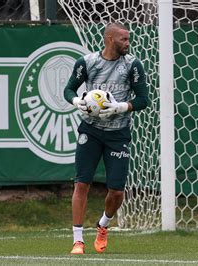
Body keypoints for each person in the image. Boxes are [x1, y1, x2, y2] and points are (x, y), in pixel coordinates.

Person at [63, 22, 150, 254]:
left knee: (117, 191)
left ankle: (103, 225)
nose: (127, 43)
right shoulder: (87, 63)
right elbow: (68, 89)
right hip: (90, 131)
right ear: (110, 39)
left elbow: (143, 99)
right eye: (124, 39)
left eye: (128, 39)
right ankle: (78, 240)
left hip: (118, 134)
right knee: (81, 184)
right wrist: (77, 102)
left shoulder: (133, 65)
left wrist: (119, 107)